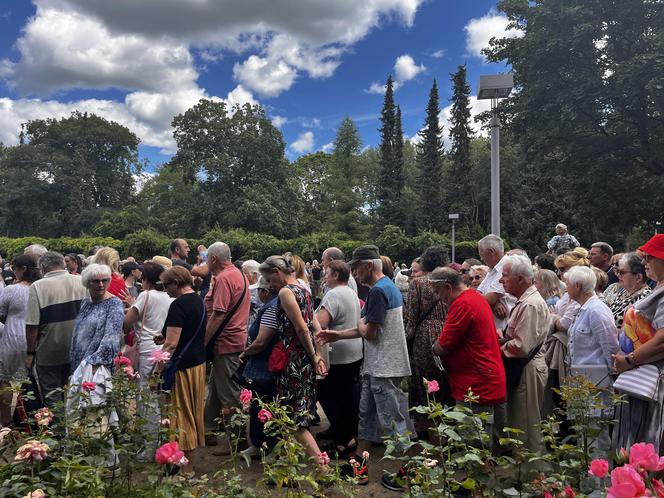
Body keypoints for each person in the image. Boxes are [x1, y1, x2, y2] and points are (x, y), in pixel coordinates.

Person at [317, 245, 411, 490]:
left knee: (393, 422)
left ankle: (409, 472)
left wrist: (358, 322)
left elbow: (368, 331)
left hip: (384, 367)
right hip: (376, 365)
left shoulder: (378, 292)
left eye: (357, 267)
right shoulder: (387, 286)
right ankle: (359, 463)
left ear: (369, 266)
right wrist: (337, 334)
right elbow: (367, 328)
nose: (354, 273)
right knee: (366, 417)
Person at [258, 254, 328, 468]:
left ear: (277, 272)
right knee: (291, 415)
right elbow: (315, 324)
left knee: (294, 420)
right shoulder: (303, 289)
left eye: (270, 279)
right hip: (302, 361)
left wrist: (315, 355)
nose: (270, 285)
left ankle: (322, 469)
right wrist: (317, 354)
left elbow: (301, 327)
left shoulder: (286, 292)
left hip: (293, 362)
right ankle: (288, 468)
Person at [430, 267, 506, 431]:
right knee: (485, 436)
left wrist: (434, 346)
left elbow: (442, 346)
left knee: (474, 442)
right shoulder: (475, 297)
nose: (438, 297)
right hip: (483, 377)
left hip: (475, 384)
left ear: (448, 288)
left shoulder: (462, 304)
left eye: (437, 292)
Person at [611, 234, 664, 451]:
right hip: (641, 378)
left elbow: (662, 339)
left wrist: (629, 360)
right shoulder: (659, 287)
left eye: (650, 257)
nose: (645, 262)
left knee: (647, 444)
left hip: (652, 382)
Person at [496, 254, 549, 455]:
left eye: (505, 275)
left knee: (526, 424)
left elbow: (521, 346)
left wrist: (496, 348)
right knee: (520, 422)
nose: (501, 280)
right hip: (525, 368)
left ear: (520, 279)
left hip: (527, 369)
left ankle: (533, 477)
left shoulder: (529, 304)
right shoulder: (525, 301)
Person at [158, 266, 207, 477]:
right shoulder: (198, 300)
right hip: (198, 364)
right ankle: (189, 464)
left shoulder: (178, 304)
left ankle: (185, 468)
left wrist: (158, 365)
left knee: (180, 415)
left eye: (166, 285)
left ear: (176, 283)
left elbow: (171, 344)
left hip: (182, 368)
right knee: (194, 412)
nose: (165, 289)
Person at [565, 266, 619, 454]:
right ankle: (589, 481)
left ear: (577, 286)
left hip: (596, 385)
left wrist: (608, 377)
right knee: (585, 437)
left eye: (568, 283)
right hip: (581, 382)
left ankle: (599, 483)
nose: (565, 287)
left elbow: (611, 348)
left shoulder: (596, 311)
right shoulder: (583, 309)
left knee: (596, 438)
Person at [203, 242, 251, 449]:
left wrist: (202, 342)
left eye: (207, 259)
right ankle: (208, 431)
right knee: (215, 389)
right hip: (234, 340)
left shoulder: (223, 278)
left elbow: (218, 314)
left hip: (226, 343)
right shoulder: (239, 274)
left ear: (213, 259)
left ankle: (239, 442)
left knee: (229, 395)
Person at [122, 261, 174, 453]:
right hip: (164, 349)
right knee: (162, 397)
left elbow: (127, 323)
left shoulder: (145, 295)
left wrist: (130, 306)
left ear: (145, 280)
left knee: (146, 397)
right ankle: (163, 440)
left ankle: (149, 446)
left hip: (146, 351)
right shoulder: (170, 297)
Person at [25, 251, 88, 406]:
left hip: (49, 351)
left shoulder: (37, 287)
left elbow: (32, 325)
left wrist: (30, 352)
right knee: (76, 393)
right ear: (63, 264)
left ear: (42, 268)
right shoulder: (81, 281)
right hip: (78, 349)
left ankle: (58, 430)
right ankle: (74, 429)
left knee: (52, 396)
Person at [315, 260, 362, 455]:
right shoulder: (351, 292)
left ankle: (343, 439)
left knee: (327, 394)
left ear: (335, 275)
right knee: (346, 396)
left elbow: (320, 322)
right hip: (354, 353)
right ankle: (345, 432)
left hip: (338, 356)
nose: (324, 277)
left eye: (327, 273)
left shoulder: (333, 295)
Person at [404, 246, 449, 437]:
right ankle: (445, 426)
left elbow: (411, 317)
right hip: (446, 332)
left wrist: (407, 340)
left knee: (421, 382)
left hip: (424, 336)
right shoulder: (450, 280)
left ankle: (424, 430)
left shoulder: (419, 283)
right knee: (443, 382)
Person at [238, 277, 280, 458]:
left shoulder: (271, 307)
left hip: (263, 366)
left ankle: (267, 446)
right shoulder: (273, 304)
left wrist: (245, 352)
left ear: (265, 291)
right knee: (259, 405)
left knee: (263, 406)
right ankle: (258, 444)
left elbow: (262, 341)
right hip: (263, 364)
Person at [0, 255, 40, 425]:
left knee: (5, 380)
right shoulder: (38, 288)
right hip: (35, 337)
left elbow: (1, 312)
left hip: (13, 336)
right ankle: (32, 418)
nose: (13, 271)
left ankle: (6, 420)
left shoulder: (12, 290)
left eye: (15, 267)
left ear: (22, 269)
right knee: (29, 379)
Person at [69, 263, 124, 376]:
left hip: (95, 367)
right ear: (87, 282)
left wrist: (94, 363)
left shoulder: (114, 304)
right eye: (96, 281)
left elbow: (112, 339)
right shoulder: (86, 302)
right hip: (79, 363)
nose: (101, 284)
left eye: (105, 280)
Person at [477, 234, 517, 333]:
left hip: (504, 329)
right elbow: (478, 292)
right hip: (496, 329)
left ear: (491, 251)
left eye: (481, 254)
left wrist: (492, 300)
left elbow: (488, 298)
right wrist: (494, 302)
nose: (481, 259)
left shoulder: (506, 266)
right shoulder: (493, 269)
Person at [601, 252, 651, 329]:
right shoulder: (624, 291)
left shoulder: (645, 299)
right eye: (617, 271)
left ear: (638, 277)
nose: (617, 275)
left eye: (622, 272)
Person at [242, 260, 262, 327]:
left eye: (245, 273)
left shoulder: (260, 290)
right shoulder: (246, 287)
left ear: (255, 274)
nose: (242, 276)